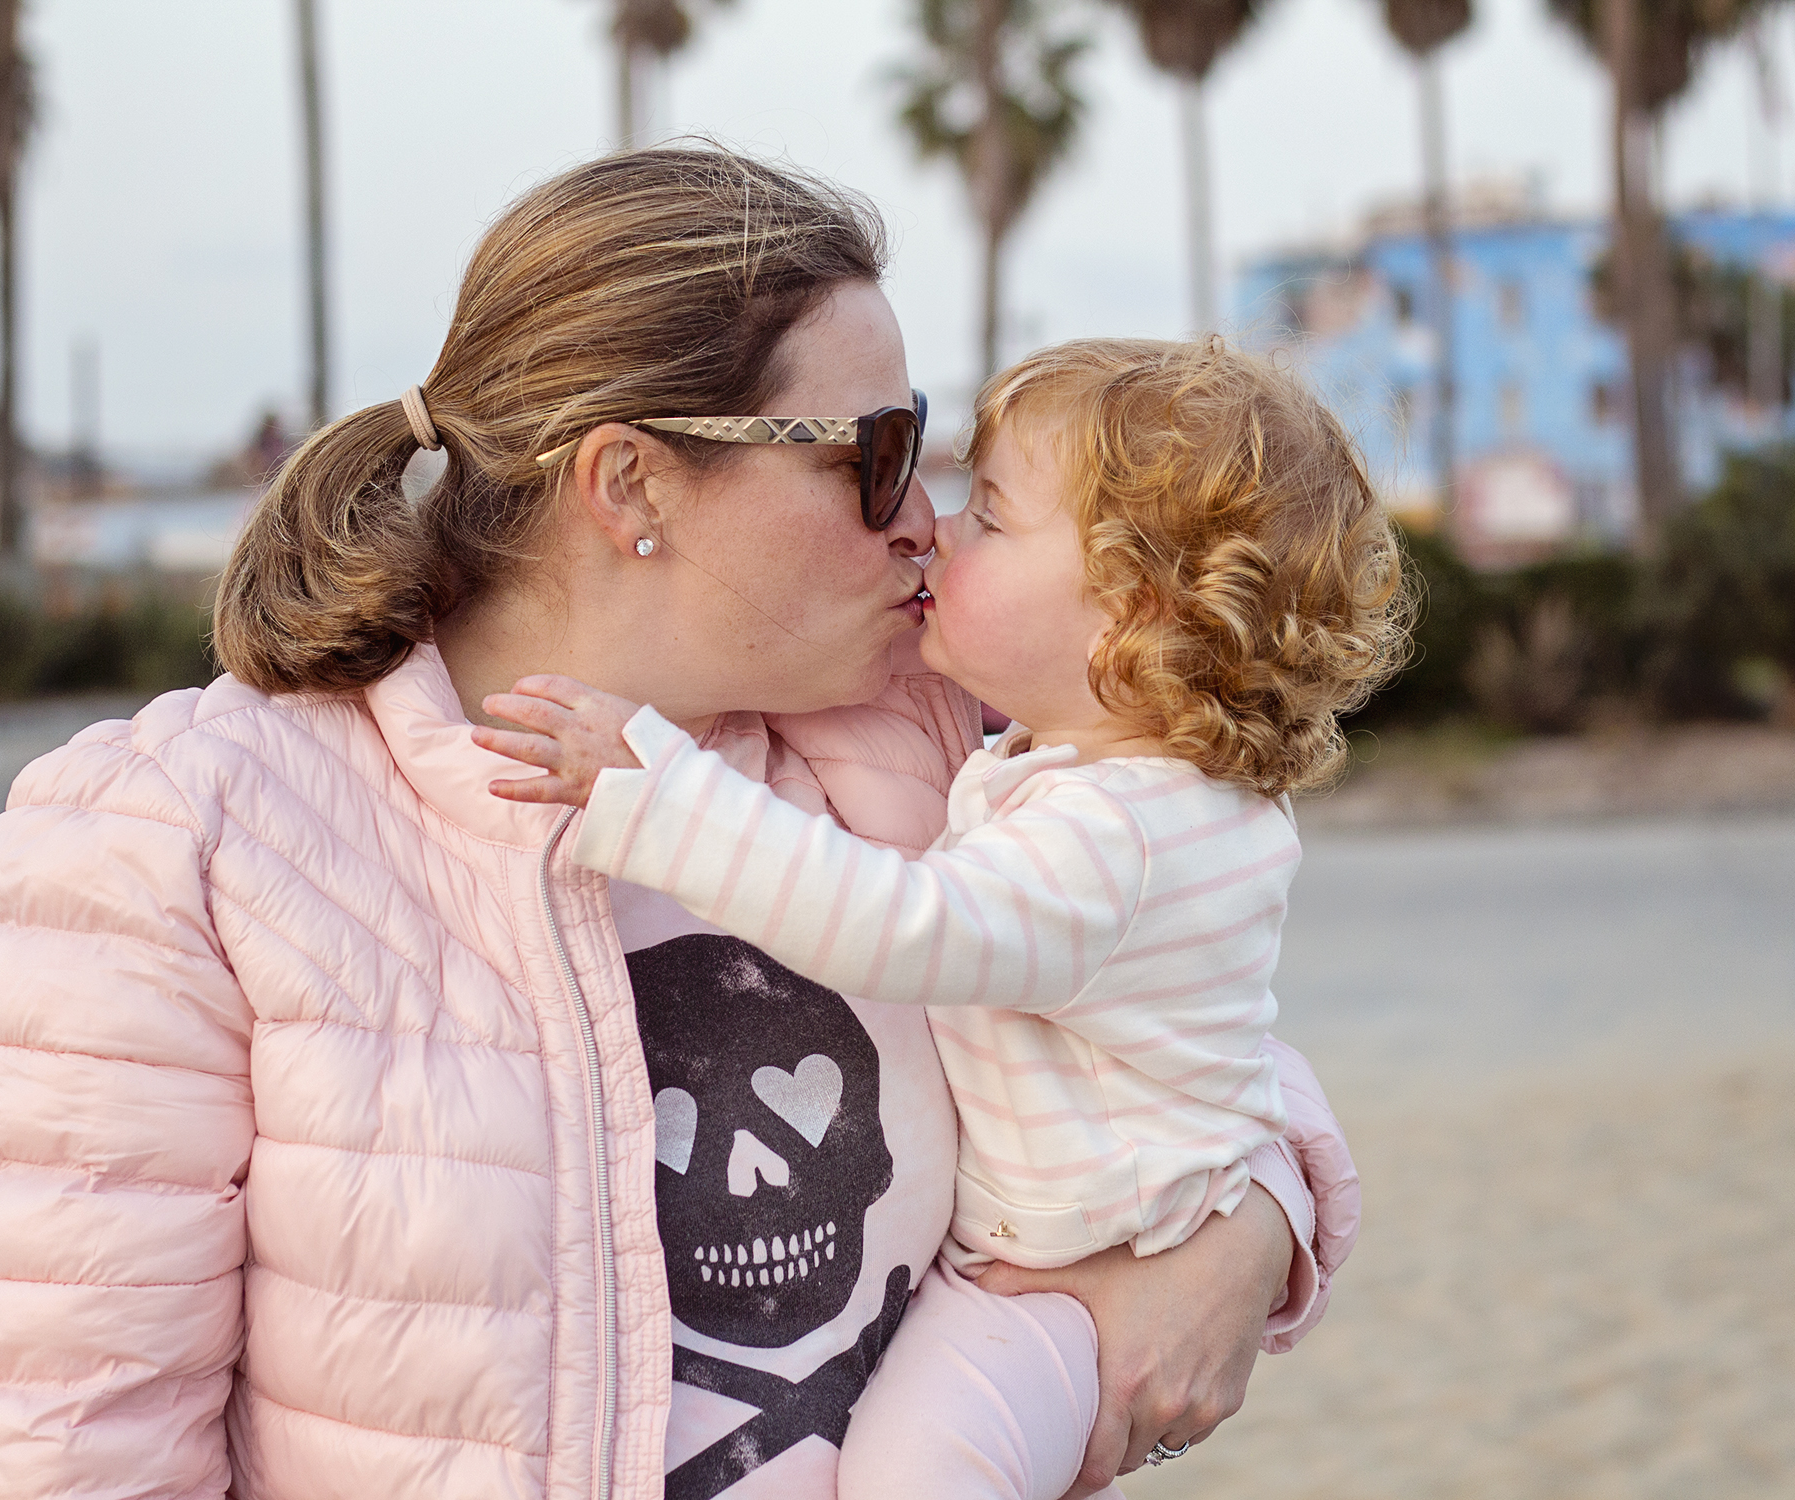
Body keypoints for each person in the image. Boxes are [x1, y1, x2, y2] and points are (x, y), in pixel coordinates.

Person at [0, 150, 1360, 1500]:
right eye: (876, 453)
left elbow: (1188, 1008)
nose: (924, 520)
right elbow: (81, 1448)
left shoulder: (930, 743)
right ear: (631, 484)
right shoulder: (166, 845)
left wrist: (1253, 1231)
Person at [471, 336, 1405, 1499]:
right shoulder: (1092, 782)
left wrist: (651, 796)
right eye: (877, 462)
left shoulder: (1114, 833)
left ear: (1127, 617)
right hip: (1034, 1261)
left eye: (992, 514)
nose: (932, 526)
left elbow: (905, 926)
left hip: (1067, 1279)